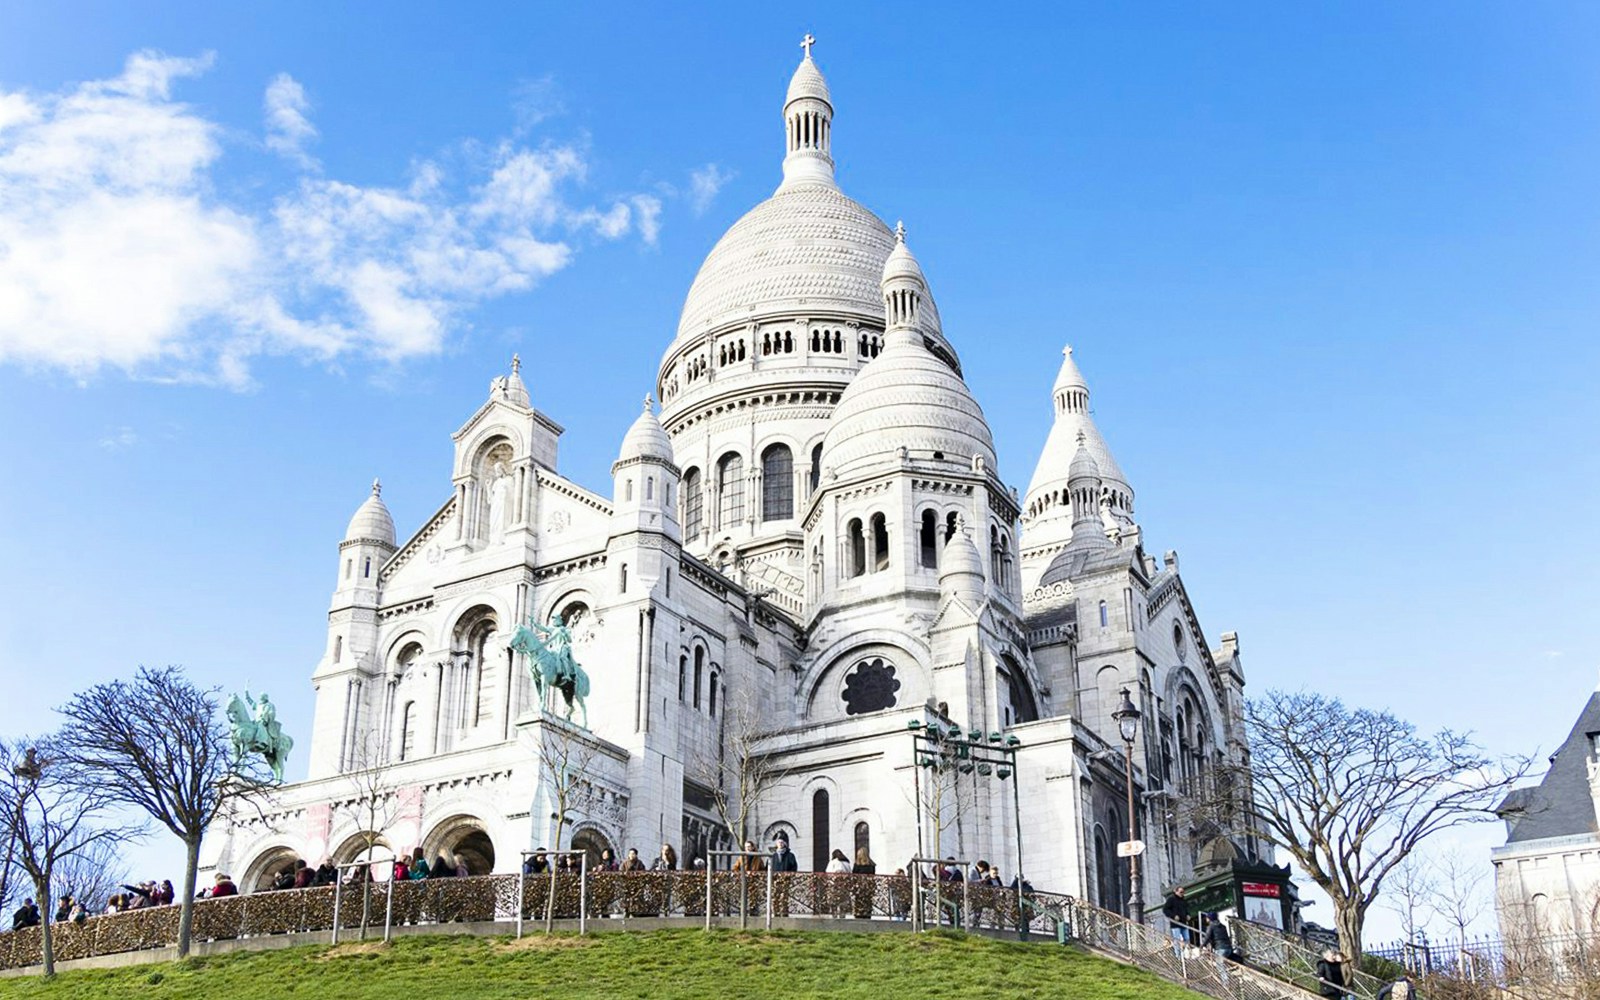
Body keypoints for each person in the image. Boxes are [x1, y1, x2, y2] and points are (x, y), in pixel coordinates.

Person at [1202, 912, 1233, 982]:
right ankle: (1228, 978)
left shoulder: (1211, 926)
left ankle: (1226, 981)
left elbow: (1207, 937)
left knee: (1219, 964)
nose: (1206, 919)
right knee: (1223, 963)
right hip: (1228, 948)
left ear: (1210, 918)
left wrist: (1201, 946)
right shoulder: (1222, 926)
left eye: (1207, 917)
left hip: (1220, 948)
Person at [1162, 885, 1191, 956]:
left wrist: (1188, 915)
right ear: (1176, 892)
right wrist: (1173, 916)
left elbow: (1186, 910)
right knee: (1177, 939)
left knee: (1187, 938)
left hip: (1183, 922)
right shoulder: (1171, 899)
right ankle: (1178, 955)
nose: (1182, 894)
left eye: (1183, 892)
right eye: (1181, 892)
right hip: (1175, 924)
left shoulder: (1184, 901)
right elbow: (1165, 909)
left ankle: (1184, 953)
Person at [851, 847, 876, 919]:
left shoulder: (857, 864)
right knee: (867, 902)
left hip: (860, 887)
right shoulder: (871, 865)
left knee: (859, 902)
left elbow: (854, 875)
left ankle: (859, 915)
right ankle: (867, 915)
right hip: (868, 886)